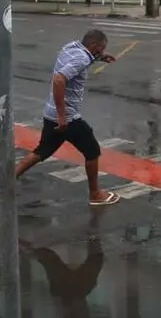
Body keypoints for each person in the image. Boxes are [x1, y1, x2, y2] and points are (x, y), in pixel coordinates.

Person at [12, 29, 121, 205]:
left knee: (42, 151)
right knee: (92, 151)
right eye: (100, 48)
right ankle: (95, 194)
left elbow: (82, 58)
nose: (101, 51)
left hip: (50, 114)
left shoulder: (71, 47)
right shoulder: (82, 58)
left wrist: (100, 57)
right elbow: (59, 80)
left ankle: (7, 181)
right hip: (67, 117)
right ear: (93, 44)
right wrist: (62, 116)